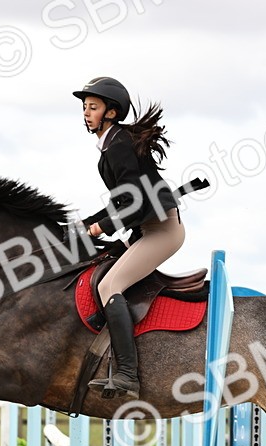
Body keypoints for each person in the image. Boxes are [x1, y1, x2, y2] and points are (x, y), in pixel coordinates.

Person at [74, 76, 184, 399]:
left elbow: (133, 199)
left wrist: (100, 227)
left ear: (111, 112)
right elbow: (121, 203)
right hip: (146, 229)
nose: (86, 113)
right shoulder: (109, 148)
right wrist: (87, 224)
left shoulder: (118, 143)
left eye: (93, 107)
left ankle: (127, 374)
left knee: (110, 286)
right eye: (84, 107)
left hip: (163, 230)